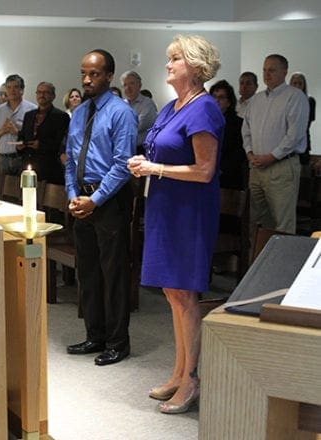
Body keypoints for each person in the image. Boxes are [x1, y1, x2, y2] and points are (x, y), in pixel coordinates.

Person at [127, 34, 224, 414]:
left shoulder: (205, 109)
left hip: (189, 212)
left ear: (196, 67)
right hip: (165, 206)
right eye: (168, 59)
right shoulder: (171, 107)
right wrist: (143, 163)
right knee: (171, 293)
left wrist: (155, 168)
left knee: (185, 295)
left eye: (175, 59)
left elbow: (204, 171)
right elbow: (158, 151)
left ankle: (192, 380)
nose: (168, 65)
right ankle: (178, 371)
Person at [65, 49, 137, 368]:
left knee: (113, 273)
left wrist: (95, 200)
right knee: (88, 272)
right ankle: (94, 335)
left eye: (94, 74)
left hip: (108, 202)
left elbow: (123, 165)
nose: (86, 79)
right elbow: (69, 159)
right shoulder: (79, 113)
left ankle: (118, 341)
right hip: (81, 199)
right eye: (83, 73)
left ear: (109, 76)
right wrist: (72, 195)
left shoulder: (121, 112)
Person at [242, 54, 309, 234]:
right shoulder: (256, 100)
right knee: (256, 222)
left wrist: (271, 157)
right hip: (256, 168)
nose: (267, 74)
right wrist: (250, 154)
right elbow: (246, 131)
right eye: (264, 70)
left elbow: (294, 135)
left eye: (272, 70)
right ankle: (257, 261)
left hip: (281, 167)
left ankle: (283, 262)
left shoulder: (295, 97)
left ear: (284, 72)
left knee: (283, 223)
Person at [18, 82, 70, 184]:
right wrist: (19, 145)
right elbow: (22, 136)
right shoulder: (29, 115)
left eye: (46, 92)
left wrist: (41, 145)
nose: (42, 95)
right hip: (28, 166)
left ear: (53, 96)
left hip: (49, 168)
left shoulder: (61, 116)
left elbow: (62, 143)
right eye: (39, 92)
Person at [0, 74, 37, 175]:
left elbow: (36, 135)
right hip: (3, 157)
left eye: (15, 87)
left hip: (23, 157)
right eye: (9, 87)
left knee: (23, 189)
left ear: (22, 90)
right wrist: (2, 131)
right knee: (4, 189)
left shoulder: (32, 109)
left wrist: (17, 132)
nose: (12, 91)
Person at [210, 79, 247, 189]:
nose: (216, 100)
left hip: (228, 179)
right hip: (205, 175)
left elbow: (239, 152)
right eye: (214, 96)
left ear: (229, 102)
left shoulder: (238, 124)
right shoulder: (203, 121)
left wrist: (220, 169)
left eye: (221, 97)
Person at [121, 70, 158, 154]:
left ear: (139, 86)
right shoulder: (121, 104)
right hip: (124, 149)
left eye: (131, 83)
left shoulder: (147, 103)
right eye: (125, 85)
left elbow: (138, 126)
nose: (128, 88)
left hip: (141, 150)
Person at [289, 72, 316, 165]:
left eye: (300, 83)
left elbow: (306, 124)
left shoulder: (309, 101)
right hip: (287, 144)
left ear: (304, 85)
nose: (297, 86)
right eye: (295, 83)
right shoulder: (286, 102)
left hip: (302, 143)